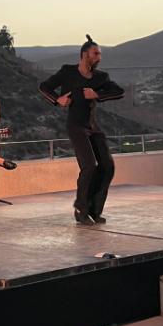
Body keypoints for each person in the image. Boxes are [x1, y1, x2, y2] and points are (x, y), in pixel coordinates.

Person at [39, 35, 124, 225]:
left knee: (108, 166)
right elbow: (44, 87)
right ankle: (81, 208)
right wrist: (57, 100)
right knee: (89, 166)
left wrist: (97, 94)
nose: (99, 57)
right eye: (96, 53)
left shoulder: (101, 77)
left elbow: (119, 91)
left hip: (93, 126)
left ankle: (95, 210)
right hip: (76, 126)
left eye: (100, 54)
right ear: (84, 54)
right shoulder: (68, 72)